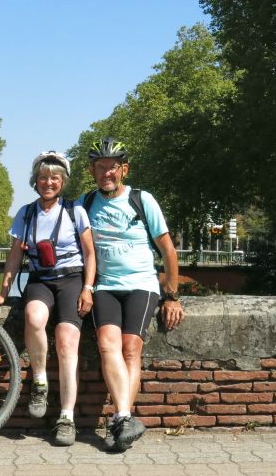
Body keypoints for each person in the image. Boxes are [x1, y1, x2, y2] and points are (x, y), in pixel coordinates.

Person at [80, 136, 185, 452]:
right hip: (106, 286)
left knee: (130, 348)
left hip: (141, 284)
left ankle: (119, 419)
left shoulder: (143, 200)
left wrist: (172, 295)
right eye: (100, 168)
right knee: (105, 344)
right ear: (92, 171)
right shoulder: (85, 203)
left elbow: (168, 251)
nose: (106, 174)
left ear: (123, 169)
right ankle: (124, 418)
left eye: (112, 167)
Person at [0, 151, 96, 446]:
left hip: (71, 279)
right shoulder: (25, 213)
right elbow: (15, 255)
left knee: (66, 342)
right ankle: (39, 380)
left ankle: (66, 417)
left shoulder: (74, 211)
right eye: (43, 177)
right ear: (35, 180)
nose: (48, 182)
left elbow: (90, 253)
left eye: (54, 177)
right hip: (40, 279)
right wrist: (4, 291)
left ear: (63, 180)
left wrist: (88, 287)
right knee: (33, 317)